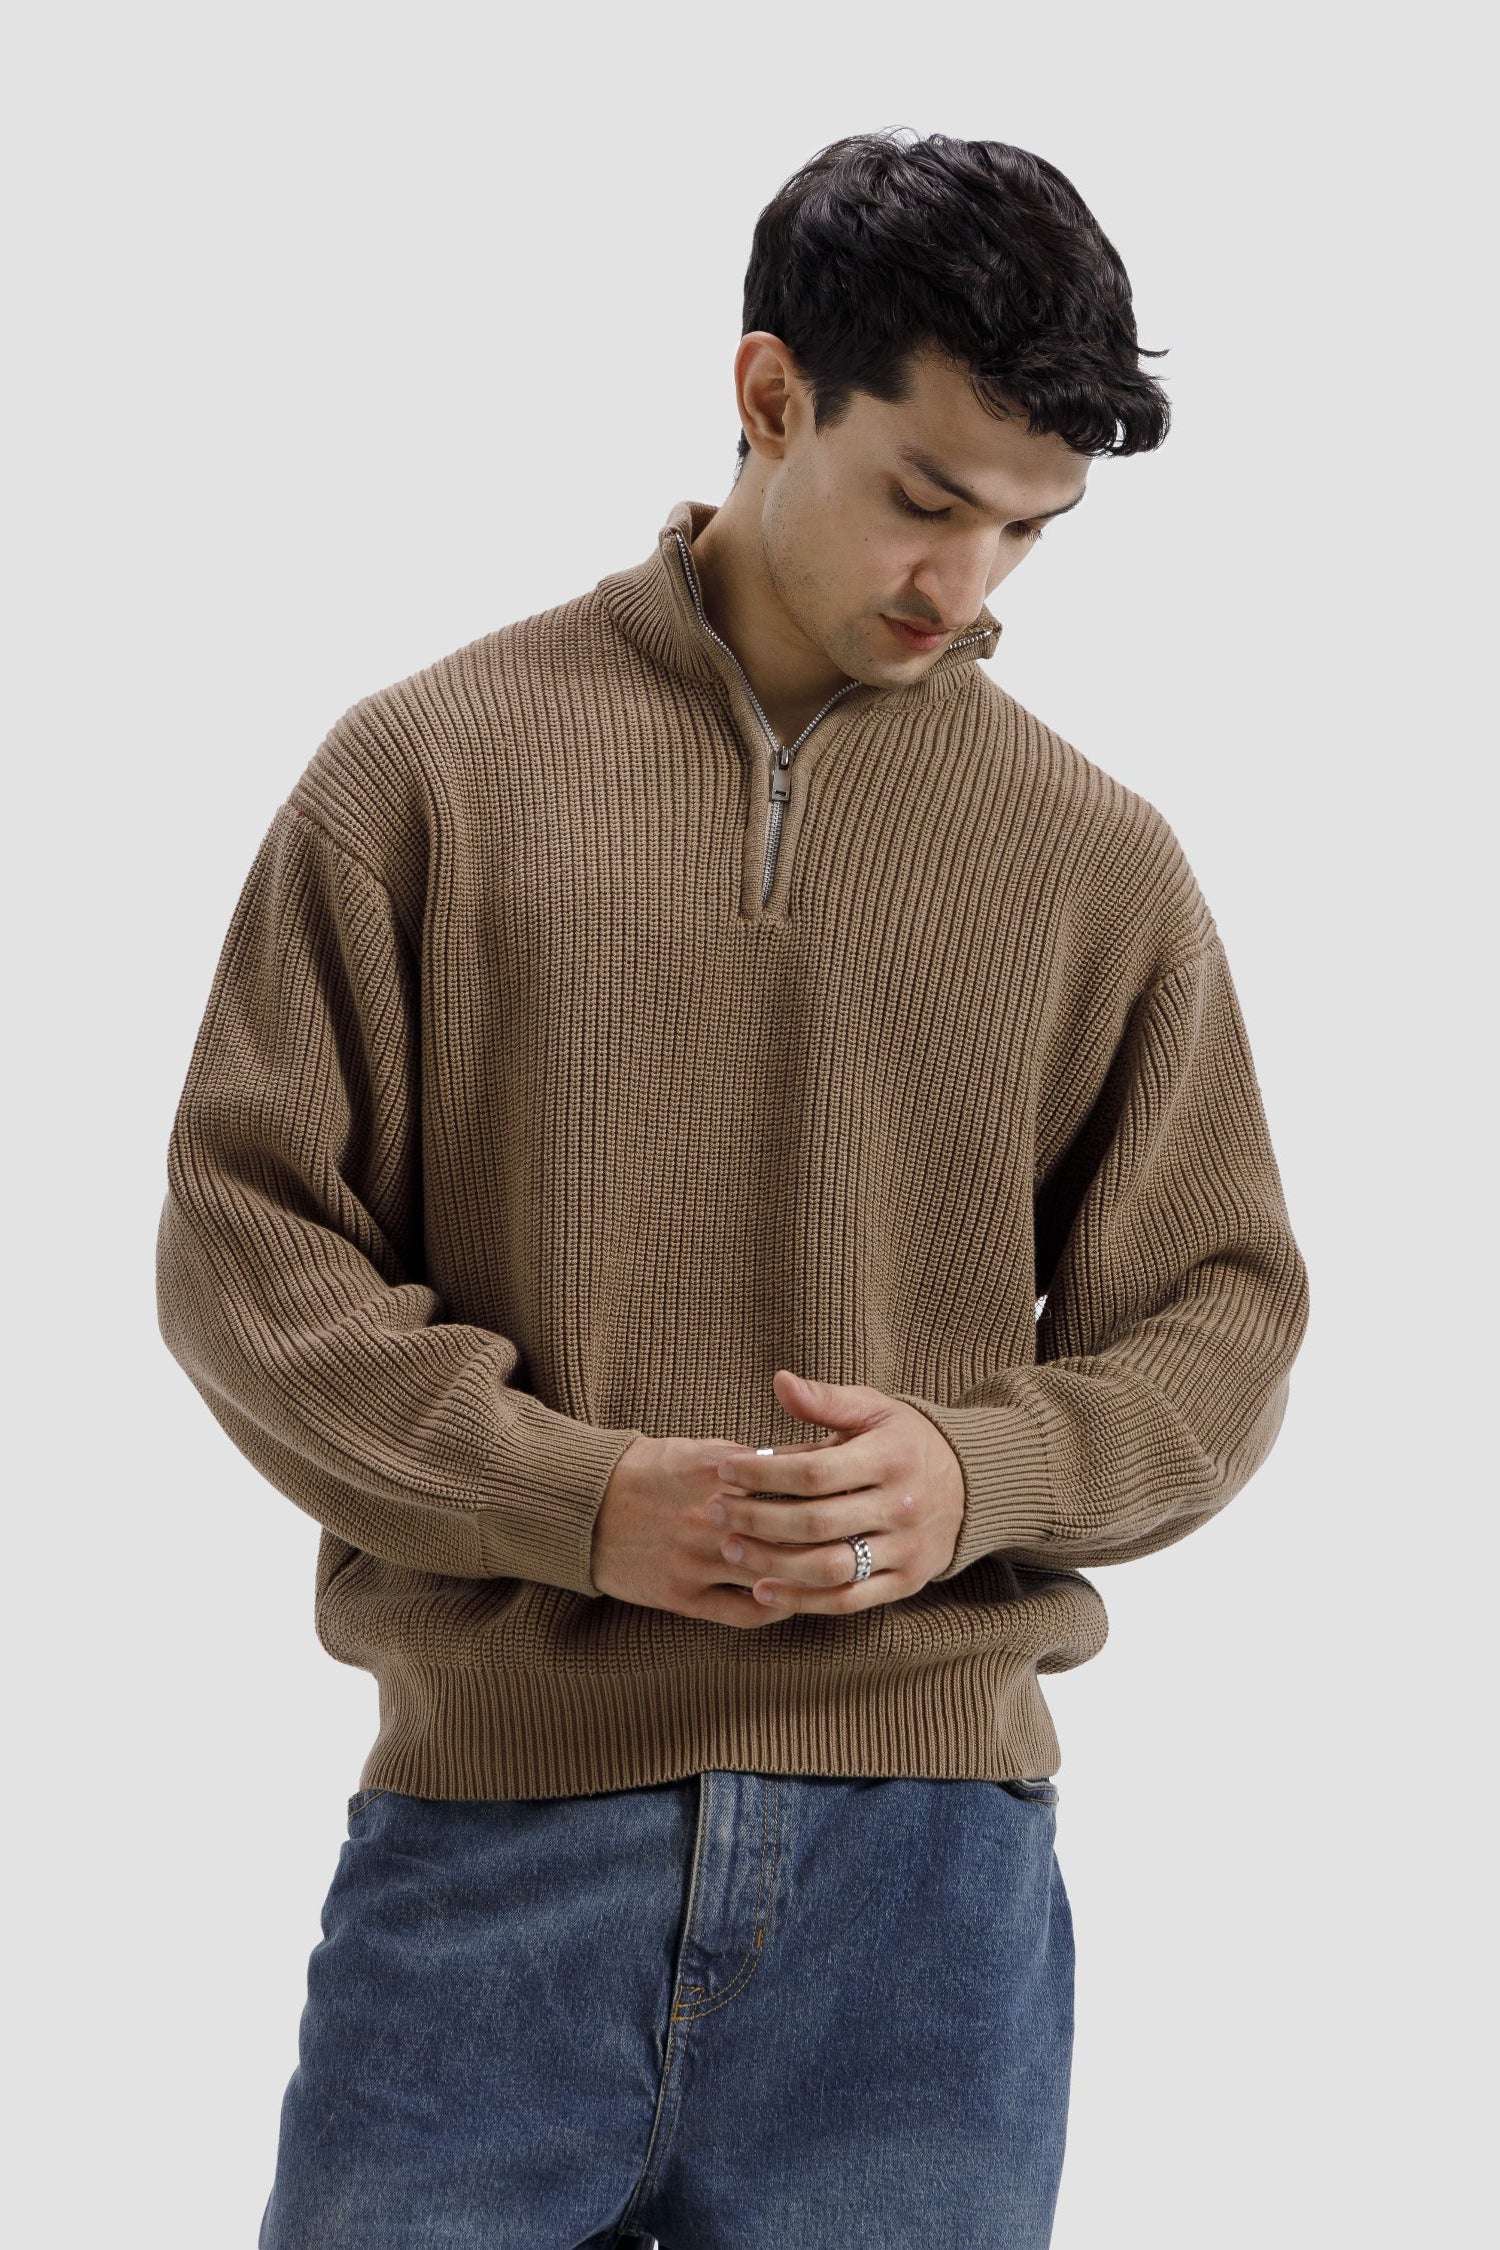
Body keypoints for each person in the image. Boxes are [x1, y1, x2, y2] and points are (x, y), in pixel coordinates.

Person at [156, 128, 1309, 2250]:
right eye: (926, 501)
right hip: (489, 1856)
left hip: (927, 1890)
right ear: (770, 395)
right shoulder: (425, 774)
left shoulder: (1094, 859)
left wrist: (983, 1473)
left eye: (1027, 533)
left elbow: (1223, 1318)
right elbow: (249, 1249)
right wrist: (571, 1497)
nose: (961, 586)